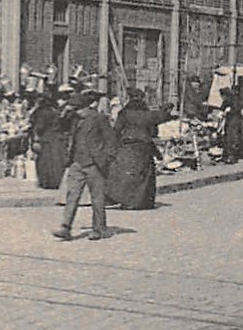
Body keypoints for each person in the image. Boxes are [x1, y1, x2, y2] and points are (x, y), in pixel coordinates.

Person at [52, 92, 117, 241]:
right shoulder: (74, 119)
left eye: (77, 109)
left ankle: (99, 229)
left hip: (95, 163)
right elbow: (59, 127)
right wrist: (64, 113)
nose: (76, 112)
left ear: (86, 108)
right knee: (72, 196)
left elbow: (111, 140)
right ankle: (65, 228)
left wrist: (106, 159)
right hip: (76, 163)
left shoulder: (99, 118)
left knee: (97, 198)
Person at [107, 90, 161, 210]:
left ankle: (127, 201)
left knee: (127, 174)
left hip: (128, 146)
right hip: (144, 147)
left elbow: (116, 130)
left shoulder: (124, 113)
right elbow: (154, 132)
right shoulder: (148, 114)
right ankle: (142, 202)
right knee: (144, 175)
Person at [30, 91, 70, 191]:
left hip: (47, 138)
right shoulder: (54, 111)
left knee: (45, 162)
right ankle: (56, 182)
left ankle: (46, 182)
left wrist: (35, 137)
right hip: (57, 138)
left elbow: (39, 127)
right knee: (56, 161)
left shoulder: (41, 112)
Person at [219, 89, 243, 165]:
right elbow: (222, 108)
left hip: (235, 120)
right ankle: (227, 155)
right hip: (230, 120)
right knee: (228, 137)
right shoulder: (227, 101)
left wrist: (228, 111)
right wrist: (222, 112)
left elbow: (237, 109)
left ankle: (232, 156)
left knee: (232, 137)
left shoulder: (234, 100)